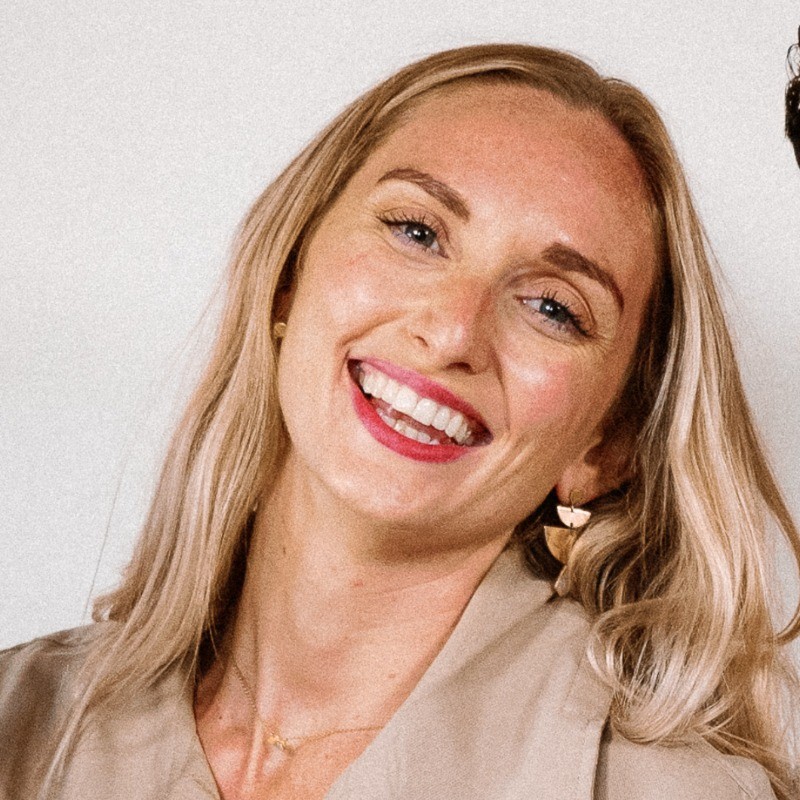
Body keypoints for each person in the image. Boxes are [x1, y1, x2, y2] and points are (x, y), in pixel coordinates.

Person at [1, 44, 798, 800]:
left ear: (608, 446)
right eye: (418, 233)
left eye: (553, 308)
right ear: (288, 274)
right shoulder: (20, 727)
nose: (452, 331)